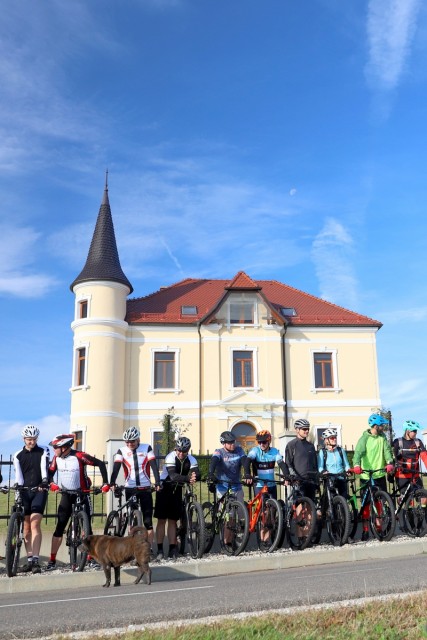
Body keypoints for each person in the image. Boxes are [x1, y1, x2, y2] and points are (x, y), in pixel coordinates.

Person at [47, 434, 110, 570]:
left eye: (56, 447)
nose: (54, 450)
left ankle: (91, 558)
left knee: (87, 528)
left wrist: (105, 483)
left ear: (64, 447)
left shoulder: (80, 456)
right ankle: (52, 560)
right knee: (60, 527)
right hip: (66, 494)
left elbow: (100, 463)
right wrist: (52, 483)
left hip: (82, 494)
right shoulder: (56, 458)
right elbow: (50, 473)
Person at [109, 427, 161, 550]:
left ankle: (148, 548)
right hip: (130, 488)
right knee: (132, 517)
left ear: (138, 439)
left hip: (145, 488)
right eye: (127, 442)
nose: (129, 444)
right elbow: (116, 468)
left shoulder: (147, 448)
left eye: (132, 441)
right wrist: (112, 482)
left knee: (148, 521)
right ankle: (132, 547)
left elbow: (154, 465)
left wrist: (157, 482)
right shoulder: (121, 451)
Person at [154, 436, 200, 561]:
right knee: (162, 520)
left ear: (188, 451)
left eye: (184, 451)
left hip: (177, 489)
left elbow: (197, 472)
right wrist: (188, 479)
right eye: (178, 450)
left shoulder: (191, 459)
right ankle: (159, 549)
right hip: (165, 487)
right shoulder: (170, 457)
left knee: (173, 520)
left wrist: (195, 475)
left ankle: (172, 548)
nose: (180, 453)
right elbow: (173, 475)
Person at [12, 425, 50, 574]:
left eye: (34, 439)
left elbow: (43, 467)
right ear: (24, 439)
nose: (31, 442)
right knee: (26, 527)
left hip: (39, 490)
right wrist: (18, 488)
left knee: (35, 523)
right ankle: (29, 560)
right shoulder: (18, 455)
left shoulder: (43, 450)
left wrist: (45, 481)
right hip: (25, 491)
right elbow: (18, 476)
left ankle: (35, 560)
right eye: (29, 439)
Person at [353, 413, 394, 541]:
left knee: (380, 502)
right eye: (382, 425)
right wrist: (356, 465)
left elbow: (387, 451)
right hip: (366, 475)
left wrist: (389, 463)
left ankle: (379, 528)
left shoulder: (382, 438)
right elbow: (358, 453)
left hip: (380, 473)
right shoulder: (364, 438)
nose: (383, 427)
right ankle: (365, 530)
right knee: (366, 504)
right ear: (375, 426)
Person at [208, 431, 252, 502]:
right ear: (223, 443)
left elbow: (244, 461)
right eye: (229, 443)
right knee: (228, 512)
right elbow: (214, 461)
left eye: (233, 442)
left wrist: (247, 473)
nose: (232, 444)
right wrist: (210, 474)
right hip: (223, 486)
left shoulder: (239, 450)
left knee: (242, 511)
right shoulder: (219, 452)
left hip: (237, 486)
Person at [283, 419, 318, 501]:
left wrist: (316, 479)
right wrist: (294, 477)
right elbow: (288, 463)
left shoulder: (311, 446)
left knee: (311, 506)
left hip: (311, 480)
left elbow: (314, 463)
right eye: (304, 429)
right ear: (297, 430)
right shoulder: (291, 445)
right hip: (298, 480)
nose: (306, 431)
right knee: (300, 506)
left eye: (308, 429)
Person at [247, 430, 287, 498]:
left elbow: (281, 464)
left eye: (264, 442)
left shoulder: (274, 451)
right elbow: (247, 460)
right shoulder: (255, 450)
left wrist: (286, 476)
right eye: (259, 442)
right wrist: (247, 474)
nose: (261, 444)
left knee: (274, 507)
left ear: (269, 442)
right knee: (262, 506)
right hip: (259, 485)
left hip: (271, 484)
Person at [393, 420, 427, 497]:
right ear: (407, 431)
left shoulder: (418, 442)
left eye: (416, 431)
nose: (416, 433)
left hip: (415, 475)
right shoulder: (398, 442)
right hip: (402, 476)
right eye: (414, 431)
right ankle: (404, 507)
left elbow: (424, 457)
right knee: (407, 499)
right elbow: (392, 456)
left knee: (424, 497)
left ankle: (422, 509)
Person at [317, 428, 351, 498]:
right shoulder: (323, 452)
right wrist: (323, 471)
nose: (334, 439)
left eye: (335, 437)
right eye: (332, 438)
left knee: (343, 499)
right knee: (330, 500)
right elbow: (320, 467)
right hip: (330, 478)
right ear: (326, 440)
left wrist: (348, 470)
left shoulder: (340, 450)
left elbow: (346, 464)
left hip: (341, 477)